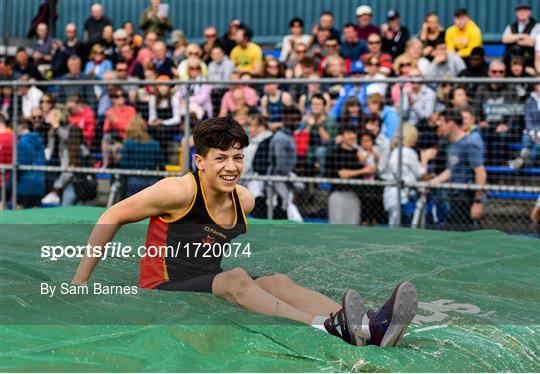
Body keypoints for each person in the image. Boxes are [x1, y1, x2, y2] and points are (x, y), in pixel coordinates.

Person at [71, 117, 418, 347]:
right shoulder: (177, 191)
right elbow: (111, 215)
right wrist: (81, 280)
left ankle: (365, 326)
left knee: (276, 281)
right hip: (160, 287)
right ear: (200, 161)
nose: (231, 166)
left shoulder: (245, 200)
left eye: (237, 157)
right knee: (236, 278)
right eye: (220, 158)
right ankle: (326, 327)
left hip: (206, 281)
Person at [430, 109, 486, 231]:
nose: (439, 126)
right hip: (454, 198)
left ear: (451, 123)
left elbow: (480, 172)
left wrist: (477, 202)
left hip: (465, 199)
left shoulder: (469, 143)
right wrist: (432, 182)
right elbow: (452, 170)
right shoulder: (453, 145)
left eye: (442, 122)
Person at [383, 124, 434, 226]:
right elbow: (422, 175)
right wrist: (425, 160)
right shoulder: (408, 152)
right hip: (403, 198)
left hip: (391, 197)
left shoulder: (394, 151)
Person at [473, 59, 520, 165]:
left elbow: (515, 112)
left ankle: (498, 169)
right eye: (494, 72)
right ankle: (483, 167)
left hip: (503, 127)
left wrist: (507, 125)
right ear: (489, 73)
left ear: (504, 74)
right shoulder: (482, 89)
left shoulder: (511, 89)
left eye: (501, 72)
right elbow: (475, 109)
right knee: (479, 133)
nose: (497, 74)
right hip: (486, 125)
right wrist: (480, 121)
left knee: (502, 136)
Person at [325, 125, 373, 224]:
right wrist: (363, 171)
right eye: (348, 133)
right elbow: (343, 174)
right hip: (339, 194)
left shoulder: (358, 153)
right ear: (342, 136)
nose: (352, 136)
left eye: (353, 133)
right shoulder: (335, 153)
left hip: (355, 195)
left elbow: (371, 168)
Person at [119, 116, 164, 197]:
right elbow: (162, 166)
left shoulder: (128, 144)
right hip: (151, 181)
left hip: (133, 182)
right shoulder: (155, 144)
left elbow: (124, 165)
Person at [502, 3, 540, 71]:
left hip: (528, 61)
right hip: (511, 60)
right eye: (519, 11)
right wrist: (522, 36)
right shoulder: (512, 25)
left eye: (524, 10)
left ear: (529, 12)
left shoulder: (536, 25)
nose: (522, 13)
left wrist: (513, 39)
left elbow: (531, 42)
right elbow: (505, 39)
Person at [16, 120, 45, 208]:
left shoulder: (22, 143)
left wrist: (11, 184)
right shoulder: (40, 142)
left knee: (19, 215)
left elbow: (21, 163)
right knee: (36, 215)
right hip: (39, 183)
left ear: (20, 128)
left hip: (25, 184)